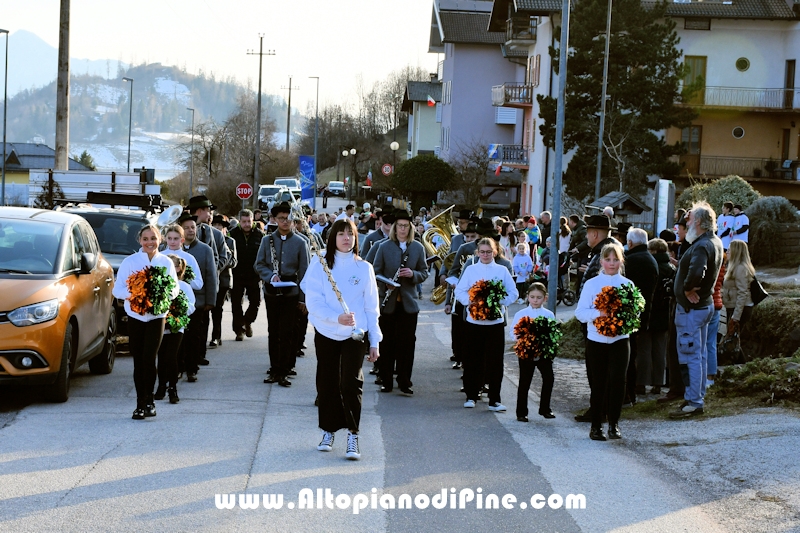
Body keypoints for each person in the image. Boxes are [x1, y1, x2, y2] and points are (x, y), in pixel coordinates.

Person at [300, 218, 382, 460]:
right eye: (341, 234)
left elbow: (371, 307)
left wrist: (375, 340)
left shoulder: (364, 267)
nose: (346, 238)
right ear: (333, 237)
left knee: (350, 383)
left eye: (351, 234)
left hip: (355, 335)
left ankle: (353, 434)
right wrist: (336, 318)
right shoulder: (320, 263)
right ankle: (328, 430)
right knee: (327, 382)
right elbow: (313, 302)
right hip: (327, 332)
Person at [112, 224, 179, 420]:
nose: (150, 242)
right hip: (136, 316)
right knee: (138, 360)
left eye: (154, 238)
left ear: (161, 239)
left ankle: (149, 402)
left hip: (157, 316)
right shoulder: (130, 261)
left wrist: (161, 295)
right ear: (140, 241)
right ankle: (140, 403)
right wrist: (137, 294)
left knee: (149, 358)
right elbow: (117, 290)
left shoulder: (165, 262)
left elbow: (174, 288)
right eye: (146, 239)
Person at [575, 242, 633, 441]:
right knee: (598, 383)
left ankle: (614, 424)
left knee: (618, 382)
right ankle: (596, 426)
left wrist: (623, 319)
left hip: (620, 339)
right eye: (608, 259)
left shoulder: (627, 284)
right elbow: (580, 313)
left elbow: (635, 312)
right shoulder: (592, 284)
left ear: (621, 261)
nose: (612, 263)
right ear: (601, 261)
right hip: (597, 340)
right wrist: (600, 313)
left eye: (616, 259)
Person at [670, 202, 723, 419]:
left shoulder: (702, 245)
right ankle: (696, 397)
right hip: (704, 306)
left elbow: (696, 272)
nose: (686, 222)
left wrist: (687, 288)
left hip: (692, 309)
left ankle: (694, 401)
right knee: (699, 355)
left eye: (690, 219)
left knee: (691, 355)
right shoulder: (714, 241)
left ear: (699, 222)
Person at [455, 237, 518, 412]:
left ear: (495, 252)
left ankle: (494, 400)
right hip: (473, 322)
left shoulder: (502, 270)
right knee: (472, 359)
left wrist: (497, 301)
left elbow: (513, 293)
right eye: (482, 252)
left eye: (488, 252)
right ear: (477, 253)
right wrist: (472, 301)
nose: (485, 255)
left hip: (495, 322)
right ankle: (471, 395)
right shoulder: (471, 269)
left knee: (495, 361)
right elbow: (460, 291)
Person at [372, 210, 428, 394]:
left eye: (406, 226)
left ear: (410, 228)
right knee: (387, 343)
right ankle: (386, 380)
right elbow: (375, 271)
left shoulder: (418, 248)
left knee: (407, 344)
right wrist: (386, 284)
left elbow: (424, 272)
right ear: (394, 228)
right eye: (400, 226)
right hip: (388, 303)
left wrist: (413, 274)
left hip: (408, 303)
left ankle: (405, 381)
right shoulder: (384, 246)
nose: (402, 229)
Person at [255, 202, 310, 387]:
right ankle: (274, 368)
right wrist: (271, 275)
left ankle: (285, 370)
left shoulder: (301, 242)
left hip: (292, 292)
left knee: (288, 332)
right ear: (275, 220)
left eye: (288, 218)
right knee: (273, 331)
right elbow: (259, 264)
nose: (285, 222)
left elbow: (304, 273)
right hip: (272, 292)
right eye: (281, 218)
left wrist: (303, 299)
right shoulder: (267, 240)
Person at [510, 282, 556, 422]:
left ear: (545, 298)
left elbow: (553, 333)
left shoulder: (548, 314)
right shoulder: (521, 314)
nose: (535, 300)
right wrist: (523, 339)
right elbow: (513, 333)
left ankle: (545, 408)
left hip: (543, 353)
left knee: (549, 378)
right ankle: (521, 412)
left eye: (539, 297)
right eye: (532, 297)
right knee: (525, 381)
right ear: (527, 297)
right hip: (526, 353)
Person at [179, 214, 217, 381]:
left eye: (193, 227)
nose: (190, 231)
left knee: (195, 336)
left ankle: (192, 368)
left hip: (198, 302)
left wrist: (210, 300)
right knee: (179, 336)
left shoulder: (205, 250)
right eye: (186, 227)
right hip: (177, 302)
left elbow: (211, 276)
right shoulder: (173, 249)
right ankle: (178, 366)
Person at [624, 228, 659, 404]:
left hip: (629, 314)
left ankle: (627, 393)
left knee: (628, 356)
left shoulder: (630, 261)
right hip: (645, 312)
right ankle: (632, 392)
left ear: (630, 242)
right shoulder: (651, 260)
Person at [155, 254, 195, 404]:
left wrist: (177, 312)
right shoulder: (159, 284)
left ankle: (173, 388)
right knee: (161, 356)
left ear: (178, 268)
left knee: (171, 356)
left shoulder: (184, 286)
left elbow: (191, 306)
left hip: (176, 326)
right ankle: (161, 386)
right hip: (161, 324)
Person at [642, 238, 675, 395]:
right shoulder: (671, 268)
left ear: (653, 251)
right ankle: (658, 383)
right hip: (665, 313)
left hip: (650, 312)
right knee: (660, 350)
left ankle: (641, 382)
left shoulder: (650, 266)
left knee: (645, 348)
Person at [229, 209, 265, 342]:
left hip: (254, 274)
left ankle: (247, 321)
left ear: (252, 221)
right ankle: (239, 330)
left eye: (249, 221)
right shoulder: (233, 234)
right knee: (236, 304)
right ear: (239, 221)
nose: (246, 224)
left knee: (256, 301)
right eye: (243, 222)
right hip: (237, 274)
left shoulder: (260, 235)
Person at [210, 214, 237, 348]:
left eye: (220, 226)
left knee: (217, 309)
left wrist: (223, 259)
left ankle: (216, 336)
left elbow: (234, 262)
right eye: (215, 226)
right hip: (209, 280)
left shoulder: (230, 241)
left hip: (223, 279)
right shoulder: (208, 239)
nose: (218, 228)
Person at [722, 240, 755, 336]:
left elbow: (742, 292)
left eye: (729, 250)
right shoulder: (733, 267)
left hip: (739, 310)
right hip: (733, 307)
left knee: (734, 341)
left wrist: (736, 317)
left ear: (736, 252)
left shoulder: (740, 268)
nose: (726, 252)